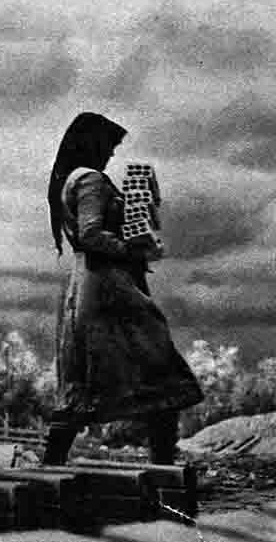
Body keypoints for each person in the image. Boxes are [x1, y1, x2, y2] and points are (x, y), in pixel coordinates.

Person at [43, 112, 203, 465]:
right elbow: (91, 234)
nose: (112, 154)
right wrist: (133, 249)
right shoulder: (91, 181)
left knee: (84, 379)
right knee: (159, 369)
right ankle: (164, 466)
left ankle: (50, 465)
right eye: (110, 146)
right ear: (93, 144)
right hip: (111, 288)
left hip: (86, 285)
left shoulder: (68, 179)